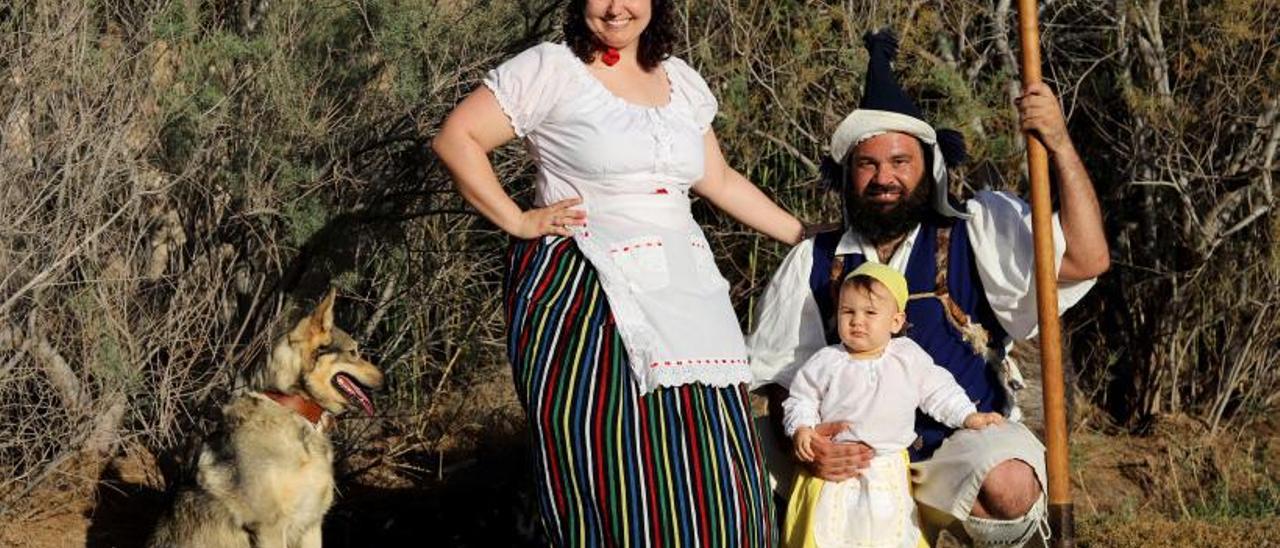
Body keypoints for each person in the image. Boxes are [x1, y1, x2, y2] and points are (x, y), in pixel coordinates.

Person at [432, 0, 802, 545]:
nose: (616, 7)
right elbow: (457, 138)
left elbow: (718, 180)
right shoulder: (551, 68)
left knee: (717, 474)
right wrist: (518, 219)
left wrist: (804, 236)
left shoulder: (680, 79)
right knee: (617, 464)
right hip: (587, 297)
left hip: (687, 297)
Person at [749, 31, 1109, 547]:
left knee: (1009, 485)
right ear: (848, 174)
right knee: (726, 460)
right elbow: (783, 377)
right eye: (868, 164)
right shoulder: (816, 257)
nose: (883, 178)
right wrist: (806, 443)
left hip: (954, 448)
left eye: (900, 162)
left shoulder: (977, 231)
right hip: (848, 456)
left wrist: (1058, 142)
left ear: (928, 169)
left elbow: (1088, 257)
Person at [783, 262, 1005, 548]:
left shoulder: (907, 358)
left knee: (892, 535)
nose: (857, 321)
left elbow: (938, 390)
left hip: (887, 469)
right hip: (835, 472)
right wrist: (802, 428)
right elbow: (801, 397)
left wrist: (968, 416)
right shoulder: (827, 361)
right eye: (847, 311)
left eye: (870, 313)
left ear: (896, 322)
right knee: (829, 534)